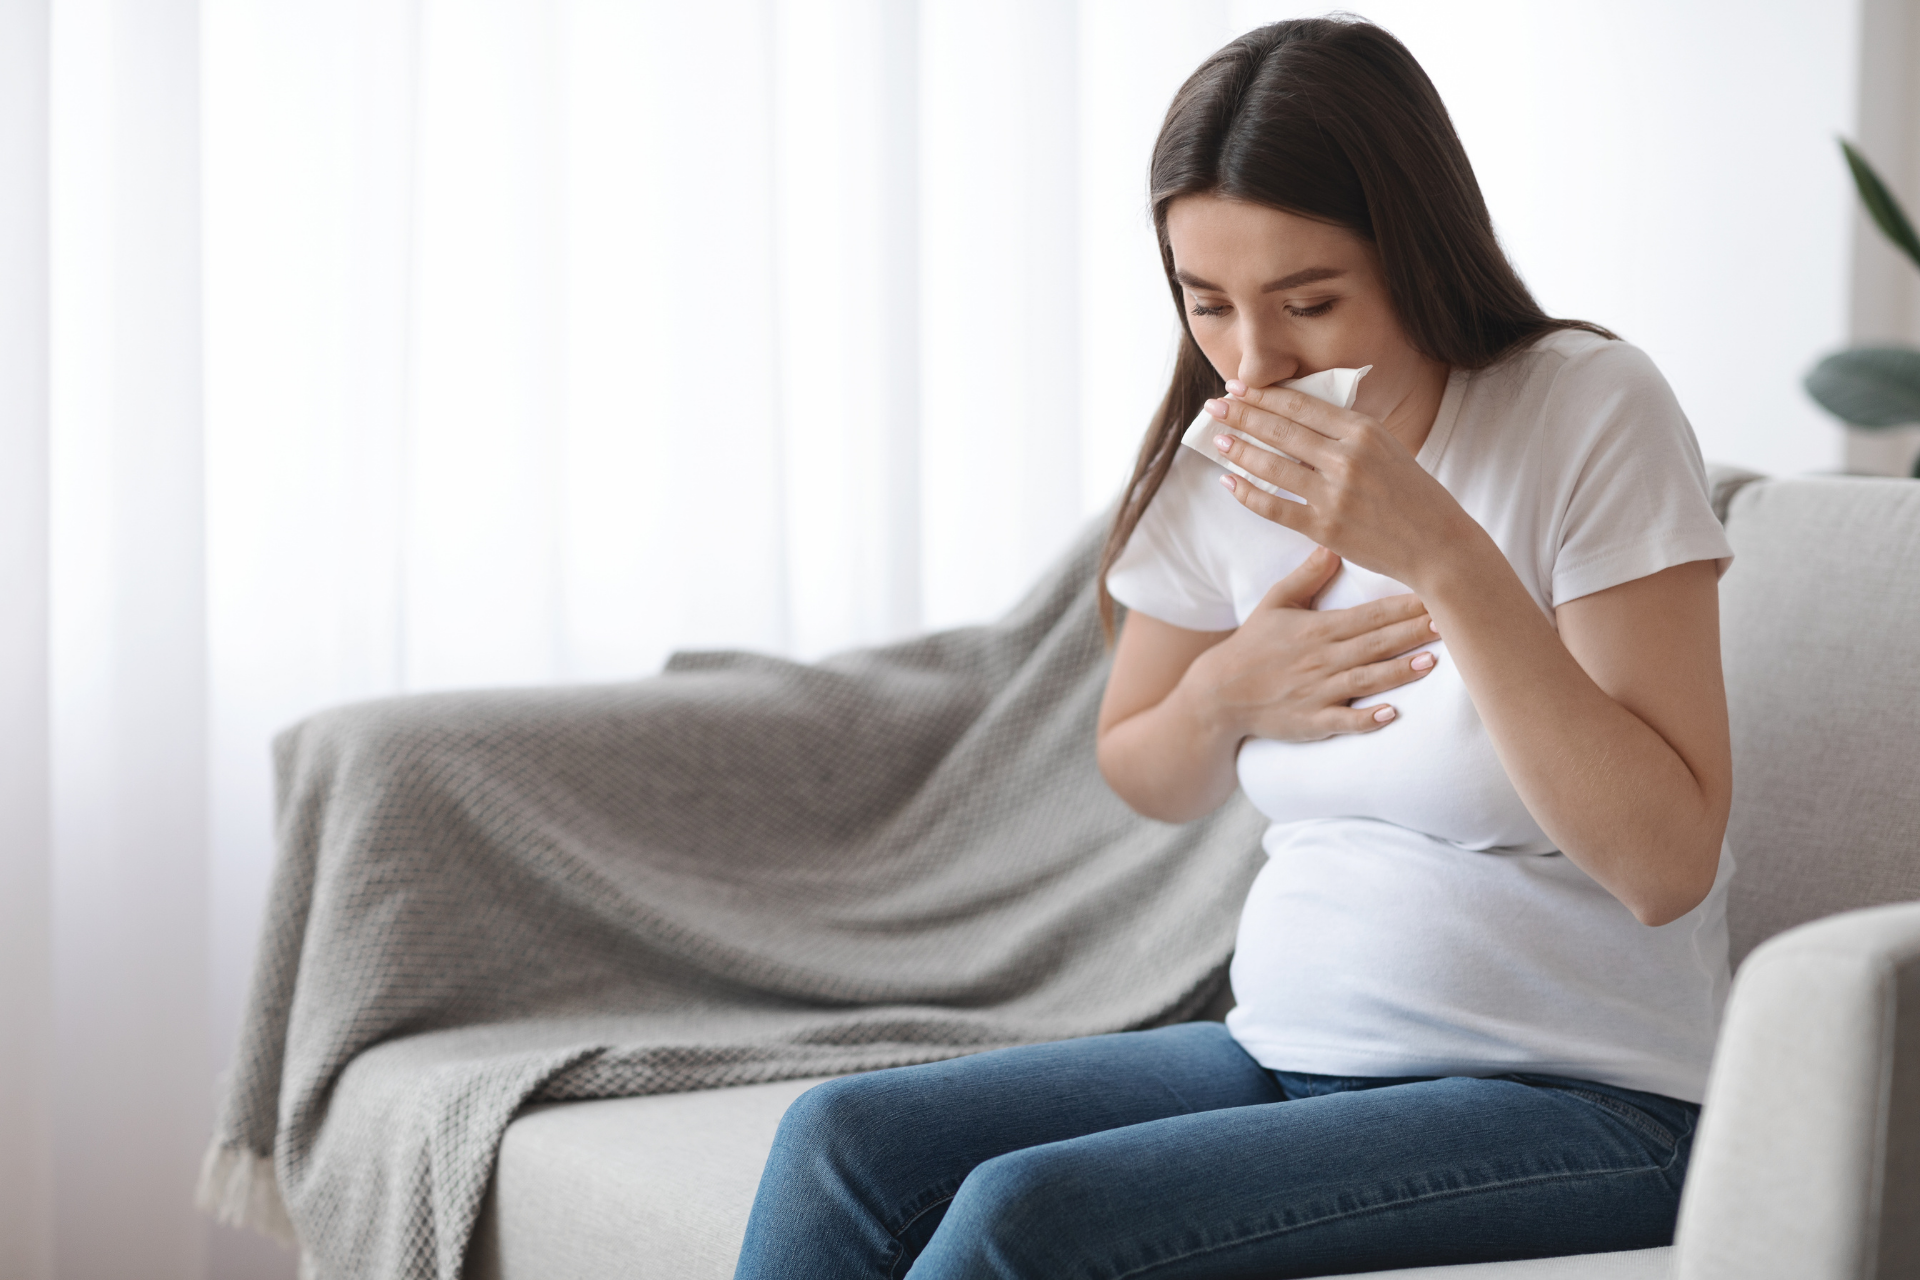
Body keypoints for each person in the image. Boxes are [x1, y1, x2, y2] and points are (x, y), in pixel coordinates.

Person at [732, 16, 1735, 1279]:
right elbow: (1147, 766)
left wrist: (1444, 557)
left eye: (1309, 302)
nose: (1255, 361)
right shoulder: (1226, 457)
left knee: (1029, 1220)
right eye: (1208, 304)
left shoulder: (1587, 407)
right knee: (841, 1141)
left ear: (1418, 254)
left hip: (1593, 1098)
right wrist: (1221, 695)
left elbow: (1666, 861)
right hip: (1282, 1049)